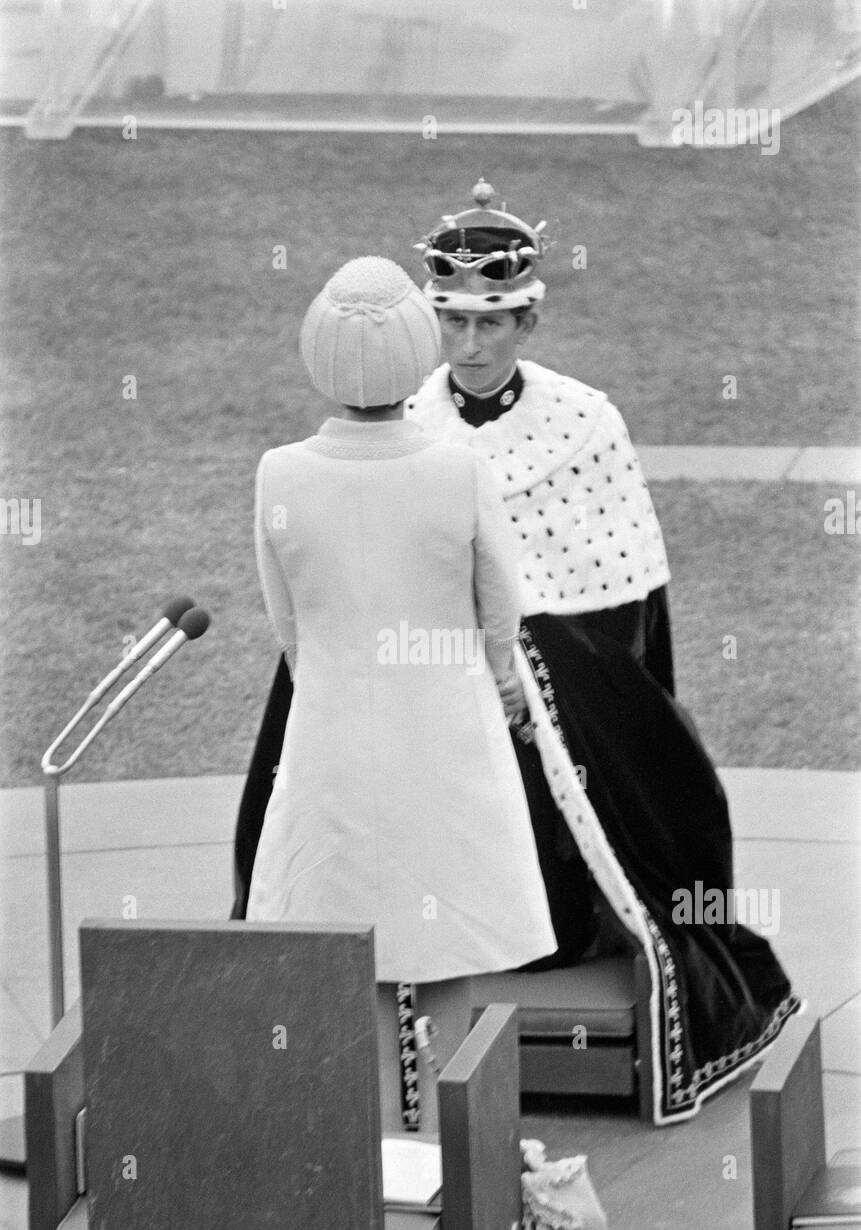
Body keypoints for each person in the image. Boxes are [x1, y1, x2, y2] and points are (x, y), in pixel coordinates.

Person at [234, 186, 800, 1125]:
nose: (469, 346)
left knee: (633, 761)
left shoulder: (586, 421)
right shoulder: (404, 418)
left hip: (538, 655)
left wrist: (528, 671)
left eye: (491, 322)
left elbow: (621, 603)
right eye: (451, 321)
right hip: (427, 677)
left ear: (526, 318)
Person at [246, 255, 556, 1033]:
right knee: (448, 943)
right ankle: (452, 1145)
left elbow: (287, 625)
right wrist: (492, 678)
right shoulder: (459, 470)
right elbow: (499, 610)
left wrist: (331, 677)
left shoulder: (278, 473)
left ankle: (377, 1141)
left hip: (330, 732)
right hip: (447, 733)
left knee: (350, 946)